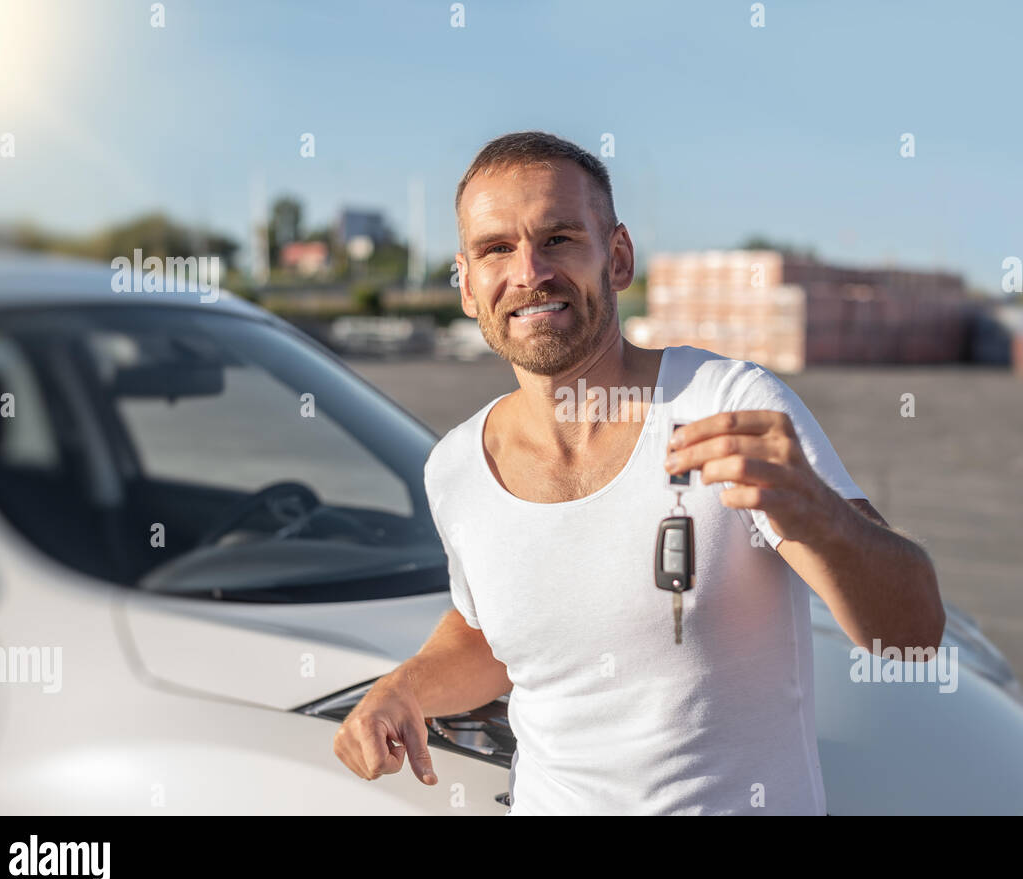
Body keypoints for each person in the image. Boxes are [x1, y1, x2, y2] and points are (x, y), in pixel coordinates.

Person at [333, 131, 944, 814]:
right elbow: (492, 634)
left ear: (617, 257)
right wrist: (404, 687)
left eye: (559, 238)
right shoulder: (454, 467)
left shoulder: (726, 406)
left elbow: (913, 635)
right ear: (469, 285)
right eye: (497, 248)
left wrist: (827, 520)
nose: (529, 271)